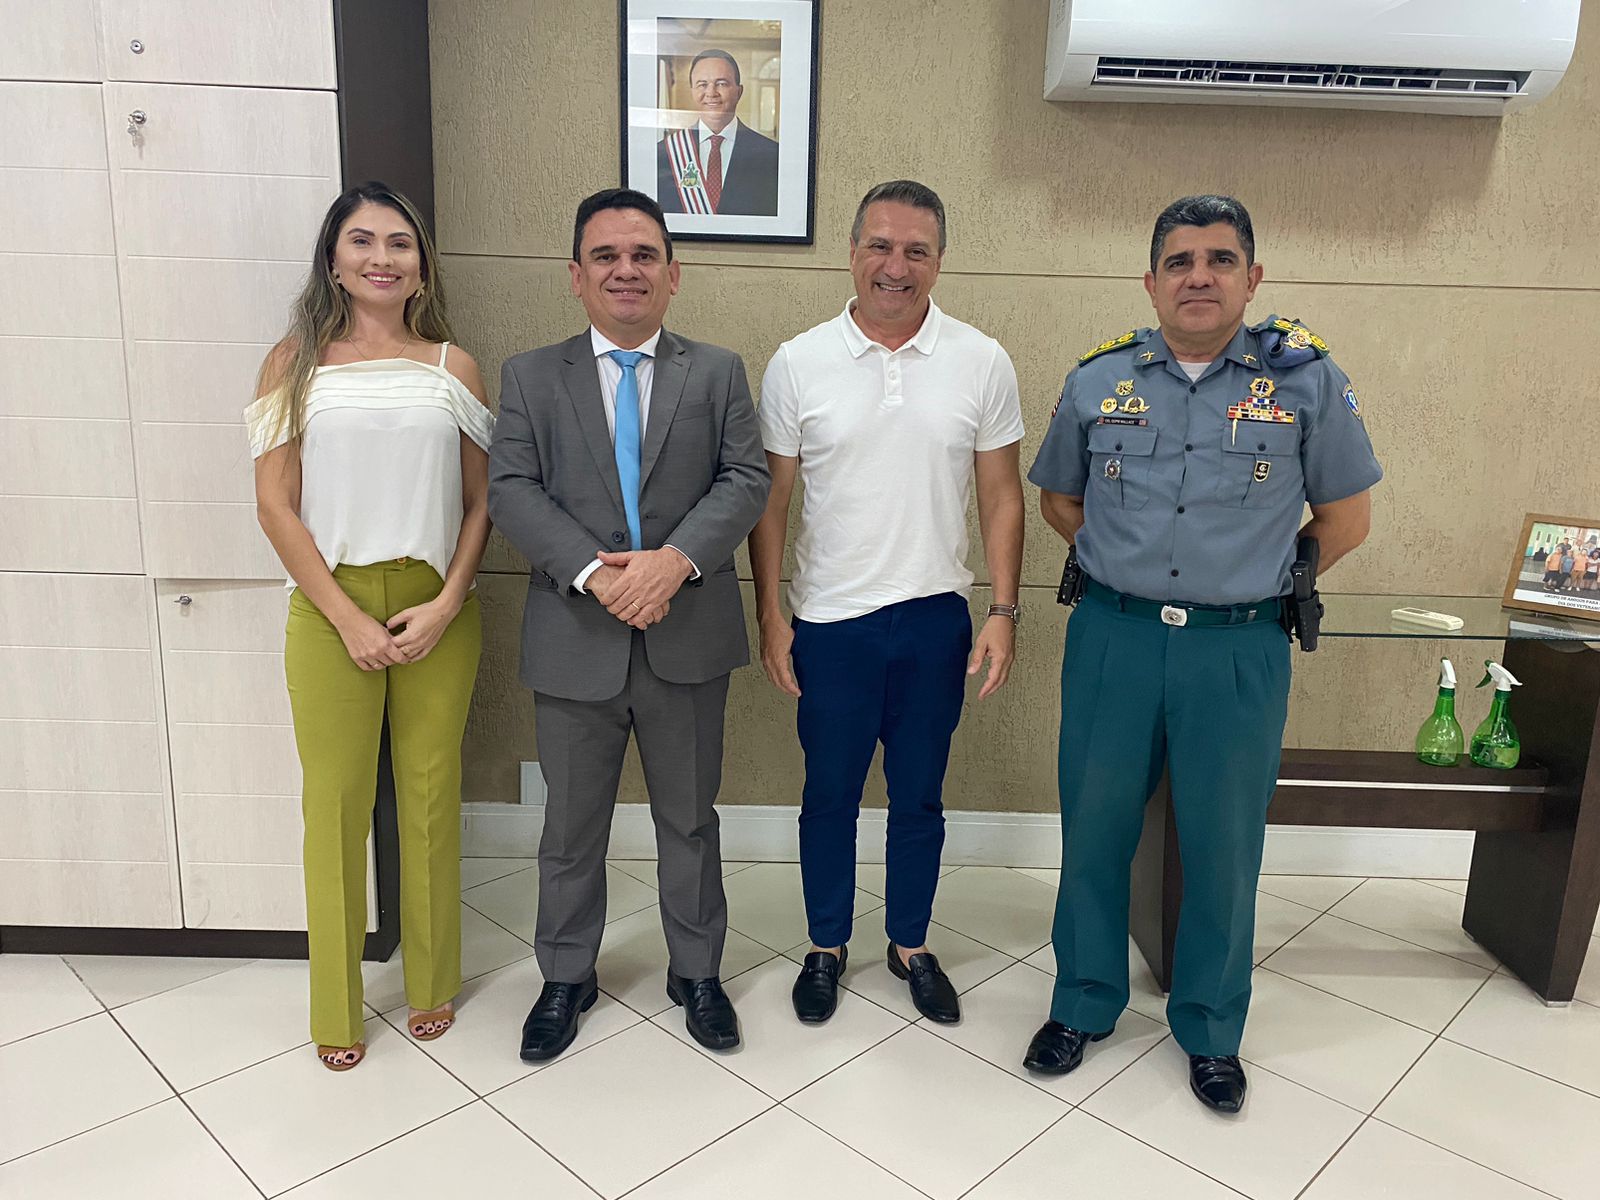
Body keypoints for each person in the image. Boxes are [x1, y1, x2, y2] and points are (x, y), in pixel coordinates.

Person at [1025, 195, 1381, 1113]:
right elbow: (1059, 499)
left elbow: (1346, 518)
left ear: (1252, 279)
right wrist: (1123, 561)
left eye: (1221, 260)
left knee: (1224, 846)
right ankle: (1082, 1003)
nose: (1199, 276)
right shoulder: (1099, 379)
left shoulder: (1305, 381)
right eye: (1179, 261)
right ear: (1151, 282)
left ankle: (1212, 1028)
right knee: (1095, 830)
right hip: (1114, 638)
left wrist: (1264, 573)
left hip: (1236, 648)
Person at [488, 188, 770, 1060]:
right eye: (606, 256)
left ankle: (699, 972)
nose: (626, 270)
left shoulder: (717, 371)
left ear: (673, 274)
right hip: (576, 635)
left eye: (644, 255)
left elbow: (745, 479)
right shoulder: (530, 376)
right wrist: (594, 573)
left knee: (690, 820)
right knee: (571, 827)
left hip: (687, 633)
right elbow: (511, 489)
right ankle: (565, 976)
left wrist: (672, 562)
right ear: (576, 276)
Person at [749, 180, 1025, 1026]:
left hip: (936, 620)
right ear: (852, 252)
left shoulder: (981, 360)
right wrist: (770, 615)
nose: (895, 266)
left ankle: (911, 943)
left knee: (920, 797)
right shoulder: (799, 362)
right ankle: (826, 945)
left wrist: (1004, 611)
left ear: (938, 261)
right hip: (831, 623)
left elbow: (1002, 496)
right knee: (828, 797)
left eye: (915, 250)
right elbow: (771, 502)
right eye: (880, 245)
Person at [249, 182, 493, 1071]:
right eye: (362, 240)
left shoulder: (453, 368)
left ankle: (431, 983)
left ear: (421, 265)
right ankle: (335, 1007)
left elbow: (482, 502)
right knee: (335, 806)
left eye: (399, 243)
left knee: (429, 796)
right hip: (329, 606)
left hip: (436, 602)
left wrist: (450, 601)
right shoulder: (292, 364)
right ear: (334, 259)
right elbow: (276, 506)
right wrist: (347, 617)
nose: (381, 257)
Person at [656, 48, 780, 217]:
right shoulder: (664, 152)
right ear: (692, 91)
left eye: (721, 83)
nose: (711, 93)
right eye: (702, 84)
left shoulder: (771, 154)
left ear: (739, 92)